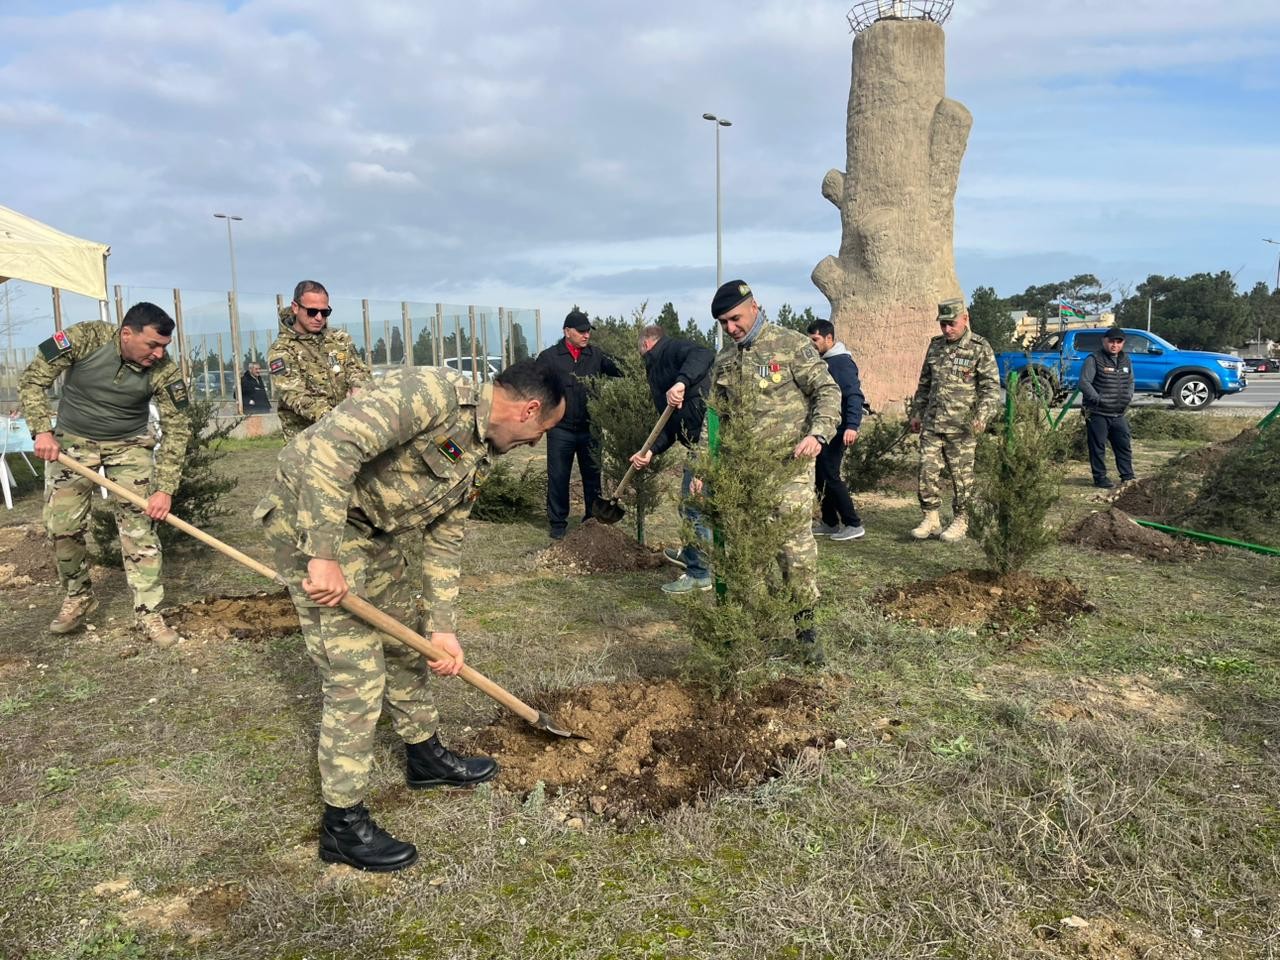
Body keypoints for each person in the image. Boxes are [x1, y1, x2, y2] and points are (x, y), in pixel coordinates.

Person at [255, 360, 565, 872]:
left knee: (406, 643)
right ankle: (342, 824)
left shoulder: (480, 450)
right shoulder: (431, 393)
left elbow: (445, 536)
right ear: (528, 409)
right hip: (310, 519)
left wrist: (442, 626)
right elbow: (335, 447)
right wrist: (323, 554)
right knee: (355, 673)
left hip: (373, 532)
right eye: (542, 431)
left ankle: (423, 755)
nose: (537, 442)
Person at [19, 303, 192, 645]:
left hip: (129, 446)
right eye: (152, 345)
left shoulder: (164, 371)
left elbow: (178, 428)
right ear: (126, 333)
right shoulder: (84, 338)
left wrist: (164, 489)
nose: (158, 354)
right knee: (62, 526)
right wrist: (42, 431)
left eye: (164, 347)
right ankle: (78, 596)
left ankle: (150, 613)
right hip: (72, 443)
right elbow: (33, 378)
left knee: (139, 527)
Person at [693, 281, 840, 665]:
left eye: (735, 318)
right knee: (749, 555)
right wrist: (701, 467)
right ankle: (755, 634)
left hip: (788, 470)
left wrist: (817, 433)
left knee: (795, 553)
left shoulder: (790, 345)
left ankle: (807, 633)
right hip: (744, 474)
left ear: (754, 306)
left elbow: (827, 391)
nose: (731, 328)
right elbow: (714, 419)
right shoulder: (725, 360)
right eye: (724, 323)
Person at [627, 324, 715, 594]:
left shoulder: (671, 349)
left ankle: (699, 573)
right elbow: (668, 424)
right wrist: (651, 451)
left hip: (709, 438)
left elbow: (704, 353)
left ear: (647, 343)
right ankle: (692, 553)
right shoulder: (654, 370)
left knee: (694, 507)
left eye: (640, 349)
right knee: (690, 507)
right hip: (694, 442)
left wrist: (681, 382)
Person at [907, 298, 1001, 543]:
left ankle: (962, 519)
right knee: (927, 471)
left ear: (965, 318)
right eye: (943, 325)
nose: (947, 330)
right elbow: (924, 384)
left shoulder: (980, 347)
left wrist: (981, 417)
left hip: (962, 427)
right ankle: (931, 517)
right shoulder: (935, 346)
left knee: (961, 476)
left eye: (952, 324)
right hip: (933, 422)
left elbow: (991, 389)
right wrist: (916, 413)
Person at [534, 309, 622, 540]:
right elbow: (534, 386)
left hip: (590, 428)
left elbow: (621, 368)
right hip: (560, 429)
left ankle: (591, 521)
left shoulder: (596, 356)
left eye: (588, 331)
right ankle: (557, 524)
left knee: (593, 476)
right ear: (567, 332)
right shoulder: (550, 357)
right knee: (558, 476)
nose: (586, 336)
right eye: (581, 331)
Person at [267, 280, 371, 440]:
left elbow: (358, 370)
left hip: (348, 432)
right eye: (312, 311)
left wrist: (358, 387)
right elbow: (295, 395)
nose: (318, 317)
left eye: (324, 312)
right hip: (308, 440)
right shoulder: (281, 351)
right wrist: (337, 418)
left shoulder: (339, 339)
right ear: (295, 307)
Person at [805, 318, 866, 542]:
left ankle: (853, 523)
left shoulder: (841, 363)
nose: (812, 344)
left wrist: (852, 425)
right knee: (820, 475)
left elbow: (854, 395)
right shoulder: (823, 362)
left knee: (830, 474)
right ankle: (830, 522)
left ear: (829, 338)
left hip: (839, 429)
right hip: (825, 428)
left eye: (815, 339)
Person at [1079, 326, 1135, 489]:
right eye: (1111, 341)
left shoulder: (1126, 360)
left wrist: (1128, 396)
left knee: (1123, 445)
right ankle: (1100, 478)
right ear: (1104, 341)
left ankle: (1127, 476)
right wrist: (1097, 399)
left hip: (1118, 413)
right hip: (1098, 412)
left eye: (1118, 342)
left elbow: (1131, 381)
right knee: (1098, 447)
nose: (1114, 345)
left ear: (1123, 343)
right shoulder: (1093, 359)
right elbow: (1084, 383)